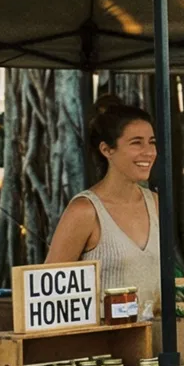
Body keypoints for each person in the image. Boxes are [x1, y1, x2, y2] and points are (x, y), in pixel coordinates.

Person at [45, 96, 163, 318]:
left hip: (154, 337)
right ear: (107, 150)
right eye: (136, 143)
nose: (149, 152)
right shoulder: (85, 211)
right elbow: (48, 291)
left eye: (152, 142)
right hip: (103, 338)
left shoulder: (155, 203)